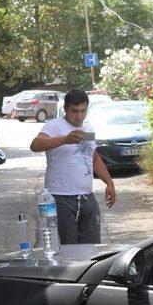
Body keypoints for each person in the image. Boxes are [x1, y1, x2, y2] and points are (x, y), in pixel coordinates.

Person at [29, 89, 115, 244]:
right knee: (67, 249)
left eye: (83, 111)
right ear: (66, 109)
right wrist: (64, 140)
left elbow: (94, 158)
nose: (79, 116)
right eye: (74, 111)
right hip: (61, 197)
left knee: (92, 248)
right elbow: (35, 145)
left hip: (87, 197)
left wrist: (109, 182)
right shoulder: (54, 126)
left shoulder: (87, 128)